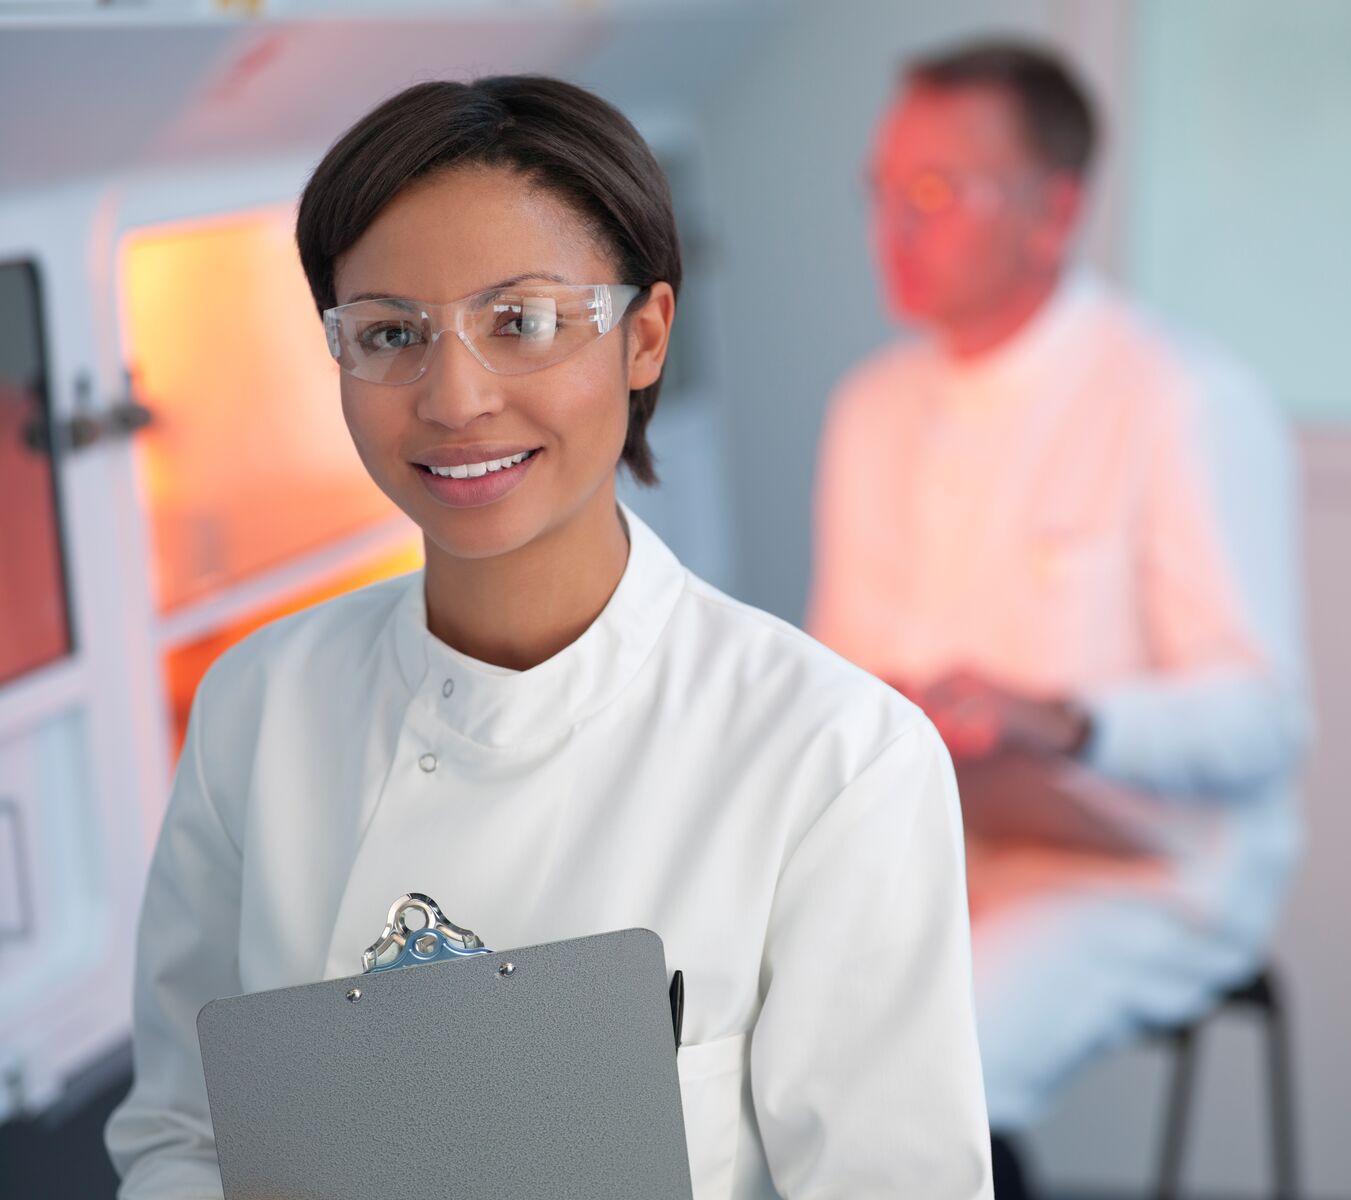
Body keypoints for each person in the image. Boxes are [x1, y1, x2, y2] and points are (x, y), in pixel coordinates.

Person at [105, 75, 993, 1199]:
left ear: (646, 336)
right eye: (390, 334)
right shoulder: (258, 710)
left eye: (520, 322)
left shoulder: (836, 759)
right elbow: (184, 1138)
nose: (454, 397)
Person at [807, 41, 1309, 1197]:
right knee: (746, 1033)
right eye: (883, 191)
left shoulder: (1180, 398)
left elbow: (1265, 722)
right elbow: (844, 672)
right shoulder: (873, 409)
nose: (897, 226)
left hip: (1146, 866)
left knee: (916, 1085)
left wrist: (1065, 721)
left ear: (1055, 212)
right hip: (944, 839)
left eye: (935, 193)